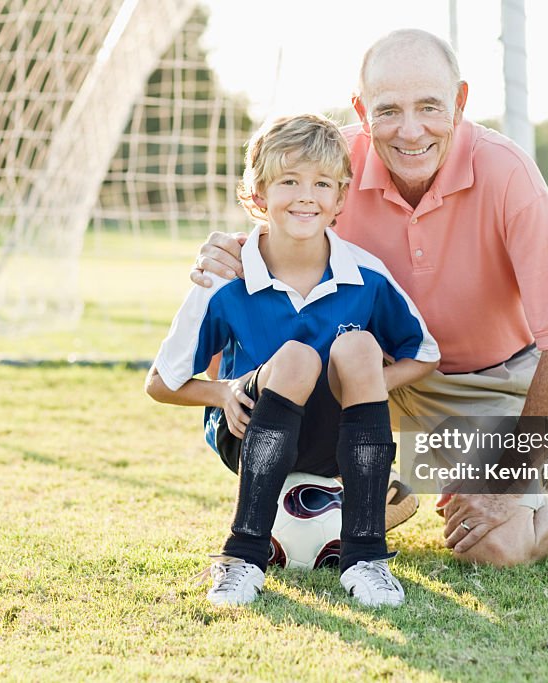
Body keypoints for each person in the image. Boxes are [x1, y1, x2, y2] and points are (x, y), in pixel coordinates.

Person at [191, 29, 548, 568]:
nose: (411, 131)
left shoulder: (507, 172)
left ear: (460, 101)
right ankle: (388, 486)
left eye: (429, 107)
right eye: (388, 111)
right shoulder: (328, 166)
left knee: (495, 546)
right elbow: (275, 243)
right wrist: (230, 253)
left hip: (477, 382)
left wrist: (512, 477)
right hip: (361, 378)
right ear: (362, 110)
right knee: (302, 519)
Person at [145, 114, 440, 606]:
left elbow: (424, 355)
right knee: (298, 359)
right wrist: (222, 391)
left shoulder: (366, 274)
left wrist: (361, 387)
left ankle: (366, 556)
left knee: (360, 347)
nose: (307, 195)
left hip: (336, 439)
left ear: (340, 198)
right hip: (249, 428)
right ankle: (242, 555)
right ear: (257, 194)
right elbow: (159, 382)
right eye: (289, 181)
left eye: (322, 183)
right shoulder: (225, 277)